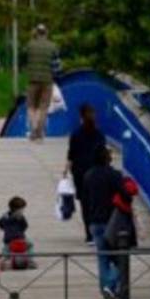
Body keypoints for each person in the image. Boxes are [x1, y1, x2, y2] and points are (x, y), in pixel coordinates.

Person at [82, 145, 126, 299]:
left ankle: (107, 289)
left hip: (94, 221)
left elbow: (84, 198)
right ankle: (112, 285)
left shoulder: (88, 175)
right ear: (108, 158)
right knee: (121, 257)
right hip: (112, 221)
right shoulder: (114, 175)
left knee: (103, 257)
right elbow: (125, 194)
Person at [65, 103, 107, 242]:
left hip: (80, 172)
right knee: (98, 202)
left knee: (85, 203)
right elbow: (104, 152)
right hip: (97, 171)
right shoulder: (99, 134)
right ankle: (100, 231)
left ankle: (89, 235)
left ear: (80, 117)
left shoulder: (76, 134)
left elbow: (71, 155)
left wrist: (66, 170)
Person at [24, 24, 59, 141]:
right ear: (46, 33)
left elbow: (25, 59)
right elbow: (56, 66)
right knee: (43, 107)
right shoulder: (53, 46)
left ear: (36, 32)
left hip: (32, 80)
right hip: (47, 80)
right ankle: (39, 133)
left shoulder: (30, 45)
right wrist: (55, 76)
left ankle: (33, 130)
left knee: (31, 106)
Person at [0, 195, 34, 269]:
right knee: (30, 245)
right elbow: (25, 226)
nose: (23, 210)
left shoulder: (5, 216)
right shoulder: (20, 217)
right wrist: (20, 231)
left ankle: (3, 261)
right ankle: (30, 260)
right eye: (22, 209)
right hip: (20, 238)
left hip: (8, 239)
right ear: (18, 209)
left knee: (6, 249)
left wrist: (5, 229)